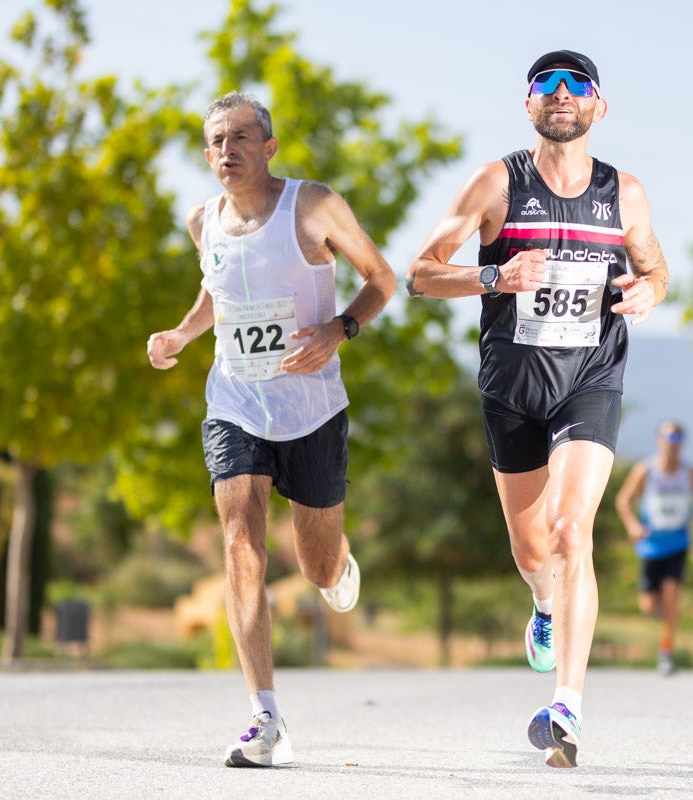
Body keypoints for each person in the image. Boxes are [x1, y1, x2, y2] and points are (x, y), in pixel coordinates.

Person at [405, 49, 670, 768]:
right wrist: (495, 274)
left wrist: (652, 291)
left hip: (591, 378)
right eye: (544, 85)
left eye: (576, 83)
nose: (560, 94)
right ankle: (544, 606)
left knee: (569, 530)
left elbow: (655, 267)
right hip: (514, 390)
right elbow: (421, 273)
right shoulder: (496, 183)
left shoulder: (626, 193)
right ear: (528, 106)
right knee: (532, 553)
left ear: (598, 107)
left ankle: (567, 707)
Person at [146, 91, 396, 767]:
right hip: (235, 402)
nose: (227, 150)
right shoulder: (202, 220)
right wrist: (181, 332)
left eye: (241, 137)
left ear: (269, 145)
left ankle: (336, 564)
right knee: (240, 546)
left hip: (311, 409)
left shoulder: (311, 205)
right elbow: (216, 290)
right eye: (216, 141)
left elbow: (381, 278)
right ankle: (265, 716)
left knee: (314, 567)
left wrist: (338, 329)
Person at [615, 421, 693, 675]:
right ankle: (663, 613)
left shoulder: (689, 473)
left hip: (677, 543)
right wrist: (632, 525)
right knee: (648, 607)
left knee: (672, 595)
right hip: (650, 546)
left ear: (681, 444)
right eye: (667, 440)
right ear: (658, 441)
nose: (671, 446)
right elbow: (623, 500)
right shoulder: (645, 471)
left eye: (676, 441)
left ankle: (666, 652)